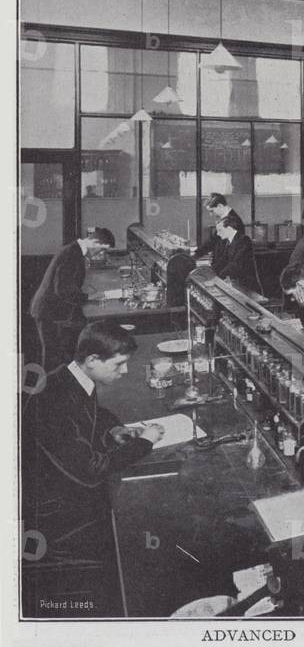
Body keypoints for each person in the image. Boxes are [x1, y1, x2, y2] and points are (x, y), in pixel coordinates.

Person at [22, 321, 165, 617]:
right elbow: (91, 468)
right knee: (146, 531)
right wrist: (145, 443)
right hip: (54, 515)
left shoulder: (72, 378)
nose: (124, 372)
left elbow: (92, 415)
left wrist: (113, 429)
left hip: (62, 487)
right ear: (92, 361)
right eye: (119, 365)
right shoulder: (53, 399)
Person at [30, 227, 115, 371]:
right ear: (93, 241)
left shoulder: (75, 250)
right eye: (101, 250)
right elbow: (63, 290)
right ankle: (50, 392)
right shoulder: (72, 253)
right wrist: (89, 297)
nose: (100, 254)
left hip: (53, 310)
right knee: (54, 358)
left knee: (58, 355)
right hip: (50, 312)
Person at [211, 217, 262, 294]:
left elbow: (235, 263)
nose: (218, 234)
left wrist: (217, 278)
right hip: (237, 283)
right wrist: (209, 271)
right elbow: (223, 260)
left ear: (229, 228)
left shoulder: (244, 240)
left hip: (247, 286)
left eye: (219, 230)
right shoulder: (228, 241)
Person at [194, 193, 245, 259]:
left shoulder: (233, 220)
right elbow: (214, 240)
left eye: (212, 211)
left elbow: (215, 241)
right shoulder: (227, 218)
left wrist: (196, 255)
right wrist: (197, 254)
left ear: (220, 206)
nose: (211, 215)